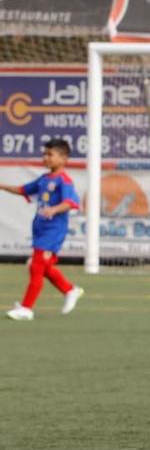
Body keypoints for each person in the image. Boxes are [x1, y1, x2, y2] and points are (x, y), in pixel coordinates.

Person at [7, 137, 84, 321]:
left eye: (50, 154)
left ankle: (26, 308)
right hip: (41, 229)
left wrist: (54, 209)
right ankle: (69, 290)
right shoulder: (44, 179)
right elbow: (23, 189)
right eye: (44, 154)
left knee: (36, 266)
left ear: (64, 159)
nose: (45, 157)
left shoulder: (64, 181)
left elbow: (70, 202)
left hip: (53, 230)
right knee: (44, 266)